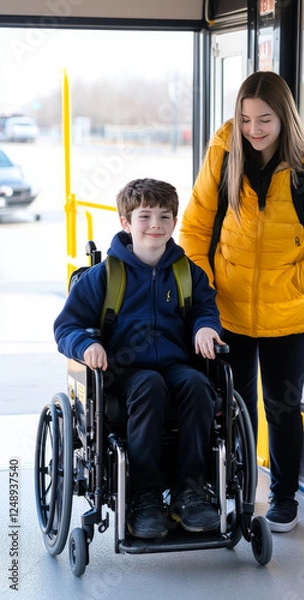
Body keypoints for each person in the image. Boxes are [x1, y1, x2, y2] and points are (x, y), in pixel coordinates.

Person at [179, 71, 304, 533]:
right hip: (228, 308)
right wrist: (204, 291)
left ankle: (283, 498)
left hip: (291, 309)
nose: (253, 129)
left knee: (282, 408)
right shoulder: (223, 154)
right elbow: (193, 229)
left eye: (264, 119)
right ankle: (234, 492)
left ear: (284, 117)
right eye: (245, 118)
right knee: (231, 405)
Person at [54, 178, 226, 540]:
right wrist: (86, 346)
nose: (155, 225)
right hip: (125, 372)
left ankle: (190, 490)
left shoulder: (186, 274)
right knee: (149, 385)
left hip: (177, 367)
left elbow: (205, 310)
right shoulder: (104, 276)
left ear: (174, 223)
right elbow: (66, 327)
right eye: (144, 216)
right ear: (125, 223)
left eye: (164, 216)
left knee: (199, 385)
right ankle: (145, 494)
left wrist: (205, 328)